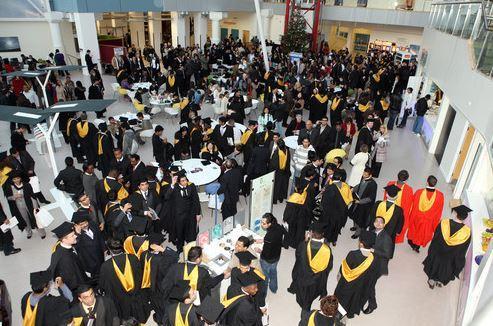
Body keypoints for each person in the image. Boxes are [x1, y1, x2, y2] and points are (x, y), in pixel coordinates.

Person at [288, 223, 333, 321]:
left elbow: (298, 257)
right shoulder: (327, 250)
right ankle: (306, 308)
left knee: (304, 298)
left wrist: (305, 241)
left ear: (311, 233)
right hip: (316, 280)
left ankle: (304, 316)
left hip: (303, 278)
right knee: (310, 296)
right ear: (323, 234)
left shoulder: (304, 246)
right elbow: (329, 267)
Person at [98, 239, 150, 323]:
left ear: (109, 250)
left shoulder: (106, 266)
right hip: (136, 292)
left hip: (119, 295)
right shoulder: (133, 258)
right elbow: (140, 274)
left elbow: (103, 284)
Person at [423, 204, 472, 289]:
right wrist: (458, 261)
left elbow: (435, 238)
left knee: (435, 265)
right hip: (451, 257)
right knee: (446, 269)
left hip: (438, 252)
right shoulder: (466, 232)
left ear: (456, 214)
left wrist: (432, 251)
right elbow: (463, 250)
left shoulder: (443, 223)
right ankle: (440, 281)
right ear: (465, 218)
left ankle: (432, 279)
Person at [334, 231, 379, 318]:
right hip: (361, 286)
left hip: (349, 285)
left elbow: (344, 269)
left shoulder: (353, 254)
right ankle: (351, 313)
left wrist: (339, 277)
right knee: (355, 299)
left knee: (343, 300)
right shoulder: (375, 258)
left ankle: (340, 316)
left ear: (361, 244)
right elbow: (373, 276)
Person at [161, 246, 228, 304]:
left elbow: (165, 285)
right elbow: (211, 283)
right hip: (195, 298)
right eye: (201, 256)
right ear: (198, 259)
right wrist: (222, 275)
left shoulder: (175, 267)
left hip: (176, 298)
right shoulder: (203, 272)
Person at [141, 233, 179, 323]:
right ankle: (163, 320)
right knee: (163, 305)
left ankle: (158, 317)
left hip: (149, 285)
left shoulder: (143, 254)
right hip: (161, 286)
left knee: (155, 303)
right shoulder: (163, 260)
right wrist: (163, 250)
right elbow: (175, 257)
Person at [164, 172, 201, 251]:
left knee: (191, 231)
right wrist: (172, 184)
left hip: (190, 213)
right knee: (179, 232)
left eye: (185, 180)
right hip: (179, 215)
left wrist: (198, 213)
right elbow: (166, 197)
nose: (185, 182)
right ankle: (180, 249)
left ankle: (191, 247)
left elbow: (196, 200)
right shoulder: (174, 187)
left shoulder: (191, 186)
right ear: (178, 182)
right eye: (182, 181)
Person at [48, 221, 88, 294]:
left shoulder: (60, 245)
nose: (75, 236)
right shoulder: (66, 259)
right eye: (72, 235)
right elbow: (73, 279)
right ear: (64, 239)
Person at [407, 175, 444, 252]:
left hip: (417, 218)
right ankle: (417, 246)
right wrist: (435, 224)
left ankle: (412, 243)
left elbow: (413, 205)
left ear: (427, 182)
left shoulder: (419, 192)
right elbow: (439, 211)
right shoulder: (440, 196)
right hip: (428, 221)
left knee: (414, 231)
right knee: (423, 234)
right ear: (435, 184)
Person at [4, 171, 45, 239]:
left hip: (30, 204)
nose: (16, 180)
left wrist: (36, 207)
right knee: (24, 219)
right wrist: (14, 197)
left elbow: (32, 196)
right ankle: (29, 232)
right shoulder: (10, 187)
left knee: (35, 218)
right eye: (14, 179)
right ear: (12, 180)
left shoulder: (27, 185)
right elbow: (8, 197)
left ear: (20, 178)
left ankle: (42, 232)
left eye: (17, 178)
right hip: (19, 207)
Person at [283, 167, 317, 248]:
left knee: (291, 228)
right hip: (303, 211)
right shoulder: (310, 187)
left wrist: (285, 218)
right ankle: (296, 244)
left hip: (293, 214)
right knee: (300, 229)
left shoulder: (299, 183)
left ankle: (288, 243)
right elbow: (311, 200)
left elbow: (287, 210)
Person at [366, 216, 394, 314]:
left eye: (381, 222)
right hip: (369, 261)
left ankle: (373, 305)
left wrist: (374, 250)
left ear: (384, 225)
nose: (378, 223)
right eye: (376, 221)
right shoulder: (372, 232)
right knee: (366, 282)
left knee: (370, 285)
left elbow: (388, 254)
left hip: (378, 265)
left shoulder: (386, 238)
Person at [256, 213, 287, 294]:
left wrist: (259, 251)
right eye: (261, 222)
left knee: (264, 277)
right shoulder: (278, 227)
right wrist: (263, 240)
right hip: (276, 256)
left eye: (264, 223)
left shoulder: (269, 236)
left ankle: (263, 294)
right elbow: (282, 235)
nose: (261, 225)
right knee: (273, 272)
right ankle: (274, 288)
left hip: (267, 259)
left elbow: (266, 253)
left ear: (269, 224)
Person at [321, 170, 353, 246]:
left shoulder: (330, 187)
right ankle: (334, 240)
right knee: (337, 226)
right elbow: (349, 199)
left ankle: (327, 240)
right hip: (341, 211)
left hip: (330, 212)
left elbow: (325, 201)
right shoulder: (346, 186)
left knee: (329, 226)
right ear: (341, 178)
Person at [72, 211, 106, 280]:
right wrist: (78, 234)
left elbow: (100, 237)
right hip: (91, 263)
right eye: (81, 224)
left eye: (85, 222)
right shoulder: (75, 236)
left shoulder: (93, 225)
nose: (84, 225)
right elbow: (77, 247)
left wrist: (104, 249)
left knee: (105, 272)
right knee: (97, 279)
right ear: (76, 225)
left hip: (101, 256)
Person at [384, 170, 414, 244]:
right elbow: (407, 206)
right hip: (399, 214)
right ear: (406, 179)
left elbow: (385, 197)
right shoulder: (409, 189)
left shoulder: (390, 183)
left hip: (388, 208)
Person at [350, 167, 378, 239]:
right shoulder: (363, 178)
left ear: (370, 175)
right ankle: (355, 226)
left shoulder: (373, 184)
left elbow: (370, 198)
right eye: (363, 173)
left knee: (360, 219)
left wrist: (360, 201)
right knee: (354, 215)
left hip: (364, 205)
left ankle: (358, 232)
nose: (364, 175)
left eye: (366, 174)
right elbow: (359, 185)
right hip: (357, 200)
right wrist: (353, 189)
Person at [269, 139, 291, 204]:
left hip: (277, 171)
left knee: (276, 186)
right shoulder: (287, 151)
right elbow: (288, 162)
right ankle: (281, 198)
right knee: (283, 185)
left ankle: (274, 200)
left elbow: (273, 164)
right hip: (285, 171)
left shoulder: (277, 152)